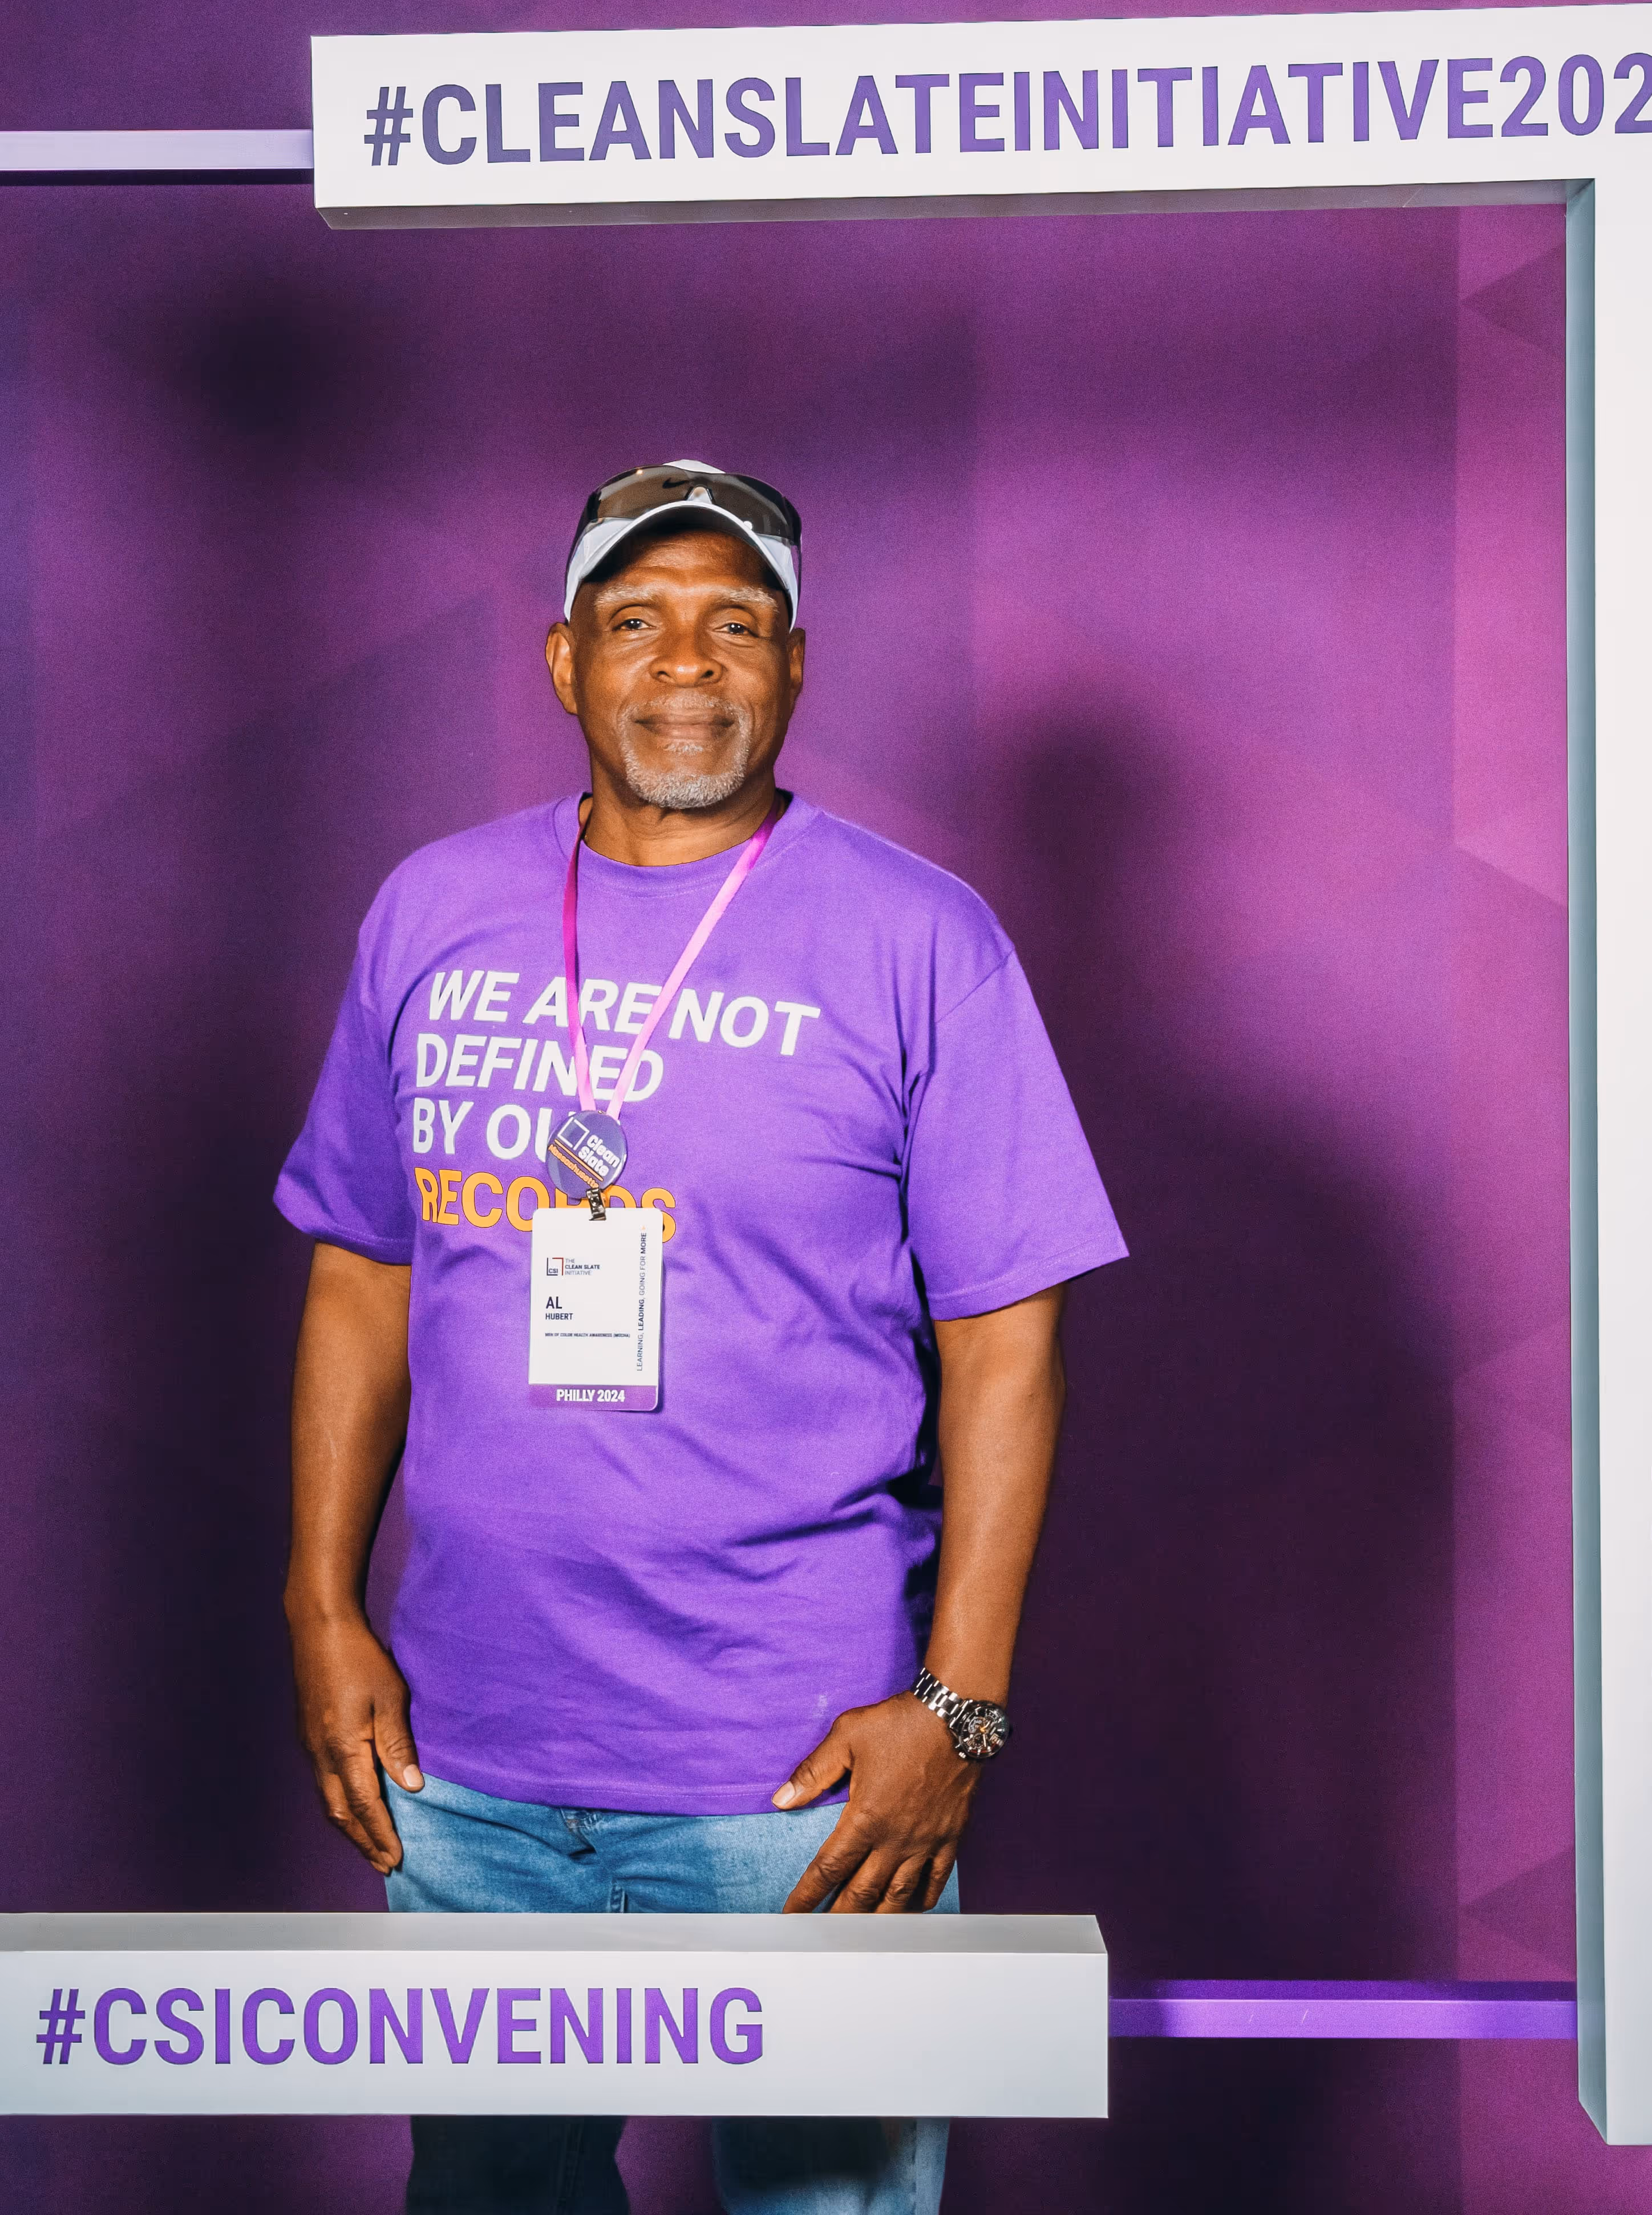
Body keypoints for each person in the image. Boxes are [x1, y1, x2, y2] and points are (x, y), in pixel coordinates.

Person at [273, 461, 1125, 2215]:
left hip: (798, 1781)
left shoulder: (921, 943)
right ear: (562, 660)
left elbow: (1005, 1351)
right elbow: (363, 1267)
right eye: (637, 618)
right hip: (472, 1766)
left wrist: (956, 1714)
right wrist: (321, 1600)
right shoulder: (431, 912)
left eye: (735, 622)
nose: (687, 662)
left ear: (796, 667)